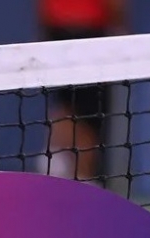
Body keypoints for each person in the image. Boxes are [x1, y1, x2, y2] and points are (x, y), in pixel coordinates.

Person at [38, 0, 128, 182]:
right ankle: (84, 177)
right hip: (89, 34)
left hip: (58, 32)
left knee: (68, 106)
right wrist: (121, 27)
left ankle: (63, 166)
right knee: (89, 115)